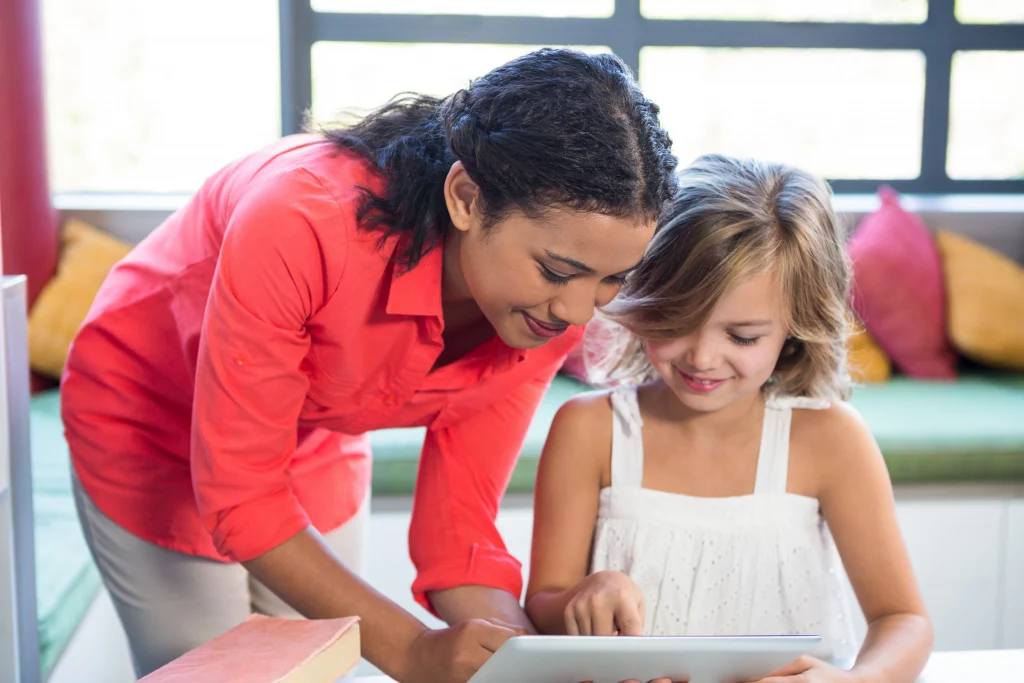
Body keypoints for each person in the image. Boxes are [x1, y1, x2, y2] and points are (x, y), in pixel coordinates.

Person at [60, 48, 678, 682]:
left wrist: (529, 668)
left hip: (316, 431)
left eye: (611, 279)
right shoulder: (301, 218)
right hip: (149, 419)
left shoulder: (540, 309)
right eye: (557, 271)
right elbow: (243, 499)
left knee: (317, 663)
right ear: (467, 197)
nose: (578, 312)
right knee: (218, 671)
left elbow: (457, 534)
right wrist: (411, 652)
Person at [525, 155, 933, 683]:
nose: (702, 358)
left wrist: (859, 679)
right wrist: (581, 597)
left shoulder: (830, 438)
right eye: (675, 321)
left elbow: (903, 619)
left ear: (796, 325)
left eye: (742, 336)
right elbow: (541, 603)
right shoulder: (591, 429)